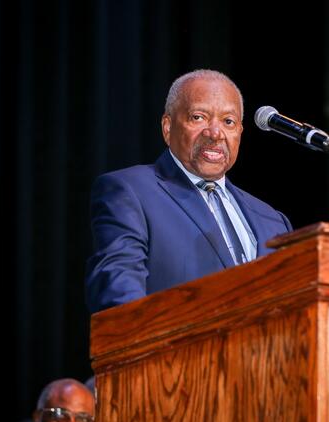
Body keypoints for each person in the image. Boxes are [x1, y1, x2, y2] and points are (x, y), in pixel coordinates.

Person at [85, 69, 292, 313]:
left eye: (228, 121)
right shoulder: (130, 191)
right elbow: (119, 296)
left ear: (240, 134)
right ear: (168, 127)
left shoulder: (273, 220)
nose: (215, 133)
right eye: (198, 117)